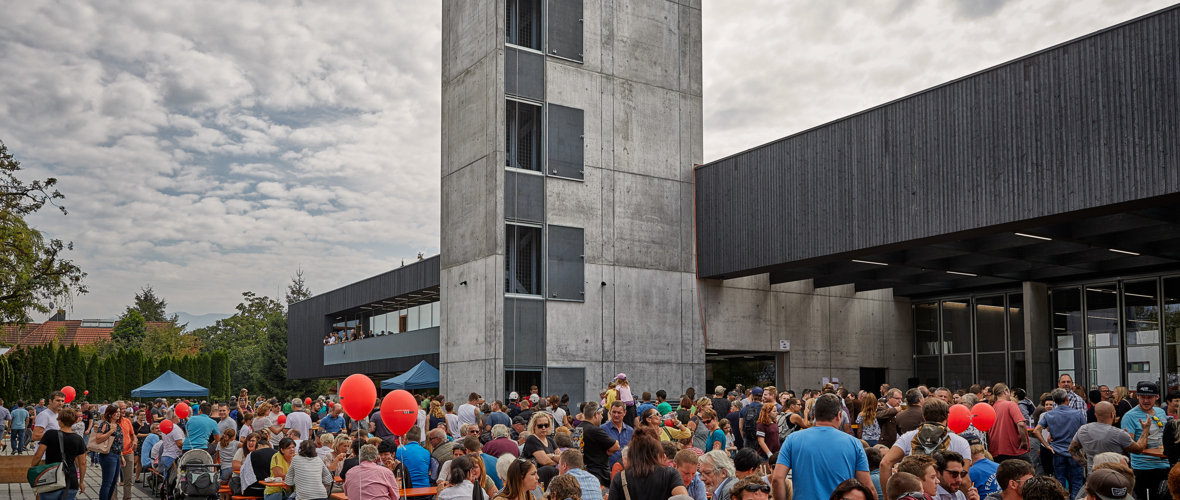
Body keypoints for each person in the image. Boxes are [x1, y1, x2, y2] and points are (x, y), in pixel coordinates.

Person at [774, 394, 873, 500]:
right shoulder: (854, 443)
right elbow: (867, 486)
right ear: (839, 415)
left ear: (815, 414)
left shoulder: (792, 439)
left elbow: (777, 478)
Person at [880, 397, 972, 489]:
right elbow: (964, 480)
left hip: (915, 493)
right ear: (947, 417)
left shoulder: (908, 437)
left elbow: (885, 463)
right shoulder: (961, 442)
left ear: (923, 416)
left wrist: (888, 496)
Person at [606, 426, 688, 500]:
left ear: (631, 451)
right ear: (657, 450)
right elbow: (684, 498)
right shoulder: (671, 474)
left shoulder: (620, 478)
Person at [1122, 381, 1170, 500]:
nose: (1146, 401)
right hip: (1143, 468)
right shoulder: (1129, 416)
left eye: (1150, 397)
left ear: (1157, 397)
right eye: (1143, 397)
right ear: (1137, 396)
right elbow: (1129, 446)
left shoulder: (1160, 412)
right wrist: (1145, 431)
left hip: (1164, 465)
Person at [1073, 401, 1149, 474]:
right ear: (1112, 414)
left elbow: (1072, 450)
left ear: (1095, 415)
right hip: (1115, 476)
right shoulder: (1118, 433)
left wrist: (1088, 465)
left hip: (1093, 475)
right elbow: (1138, 449)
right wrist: (1146, 429)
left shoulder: (1083, 429)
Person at [30, 407, 87, 500]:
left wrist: (33, 471)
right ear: (73, 422)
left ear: (59, 421)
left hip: (51, 478)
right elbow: (83, 463)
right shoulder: (78, 439)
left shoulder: (50, 434)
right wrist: (81, 482)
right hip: (70, 481)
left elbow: (37, 455)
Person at [577, 401, 619, 486]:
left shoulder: (578, 429)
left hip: (582, 473)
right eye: (601, 414)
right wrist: (606, 451)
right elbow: (616, 446)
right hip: (598, 475)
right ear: (596, 415)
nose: (602, 417)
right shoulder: (595, 430)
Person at [987, 384, 1030, 463]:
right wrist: (1024, 441)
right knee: (1028, 472)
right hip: (1014, 450)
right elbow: (1021, 424)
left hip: (996, 451)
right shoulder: (1011, 404)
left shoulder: (992, 407)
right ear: (1005, 392)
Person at [94, 405, 125, 500]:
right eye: (116, 412)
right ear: (110, 413)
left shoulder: (117, 425)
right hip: (108, 455)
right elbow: (98, 439)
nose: (118, 414)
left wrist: (121, 456)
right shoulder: (105, 424)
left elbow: (118, 442)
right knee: (107, 483)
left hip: (117, 455)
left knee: (114, 482)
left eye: (119, 412)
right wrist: (111, 431)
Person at [523, 413, 560, 484]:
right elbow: (544, 461)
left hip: (550, 477)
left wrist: (551, 456)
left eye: (546, 425)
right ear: (534, 426)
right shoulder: (532, 439)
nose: (543, 428)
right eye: (540, 426)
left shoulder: (550, 440)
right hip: (536, 479)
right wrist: (556, 460)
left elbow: (561, 458)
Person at [602, 401, 633, 472]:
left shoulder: (630, 431)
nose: (616, 415)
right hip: (608, 471)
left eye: (619, 413)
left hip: (627, 471)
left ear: (625, 413)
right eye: (614, 412)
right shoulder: (603, 429)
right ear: (610, 412)